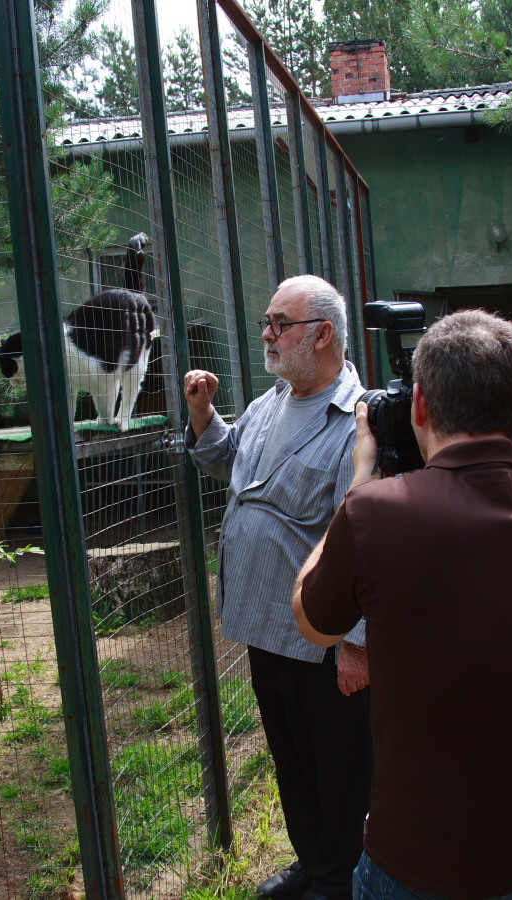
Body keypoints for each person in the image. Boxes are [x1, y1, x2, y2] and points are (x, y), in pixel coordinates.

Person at [293, 308, 512, 900]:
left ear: (419, 405)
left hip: (413, 856)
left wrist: (359, 482)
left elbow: (315, 623)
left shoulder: (376, 513)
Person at [184, 274, 372, 900]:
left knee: (339, 769)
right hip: (262, 624)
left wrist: (357, 641)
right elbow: (229, 459)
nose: (266, 333)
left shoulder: (358, 422)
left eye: (279, 323)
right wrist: (204, 417)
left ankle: (339, 877)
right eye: (267, 320)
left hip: (323, 639)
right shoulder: (272, 402)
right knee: (290, 759)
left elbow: (369, 538)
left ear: (322, 334)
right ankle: (313, 862)